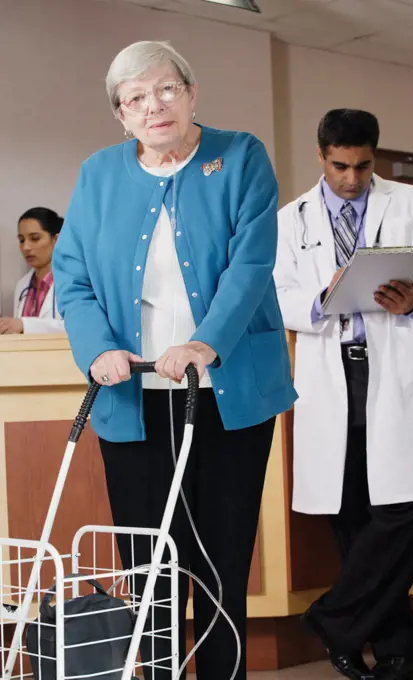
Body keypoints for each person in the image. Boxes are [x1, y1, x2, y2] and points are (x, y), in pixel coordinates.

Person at [53, 40, 296, 680]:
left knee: (220, 564)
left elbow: (251, 262)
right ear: (121, 115)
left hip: (226, 394)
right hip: (132, 401)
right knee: (149, 570)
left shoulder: (240, 156)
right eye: (135, 98)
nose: (153, 106)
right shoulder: (97, 174)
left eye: (165, 89)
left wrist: (203, 344)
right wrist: (98, 348)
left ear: (190, 92)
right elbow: (71, 276)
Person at [274, 109, 413, 680]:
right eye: (340, 165)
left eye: (363, 165)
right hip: (334, 372)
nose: (352, 178)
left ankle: (333, 618)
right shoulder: (290, 220)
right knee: (352, 514)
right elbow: (273, 291)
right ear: (321, 154)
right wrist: (318, 301)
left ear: (376, 156)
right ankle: (397, 655)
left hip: (397, 370)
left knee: (406, 512)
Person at [0, 207, 65, 335]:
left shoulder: (74, 281)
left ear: (56, 240)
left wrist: (24, 325)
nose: (26, 247)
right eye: (21, 240)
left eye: (35, 238)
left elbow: (80, 328)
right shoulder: (22, 285)